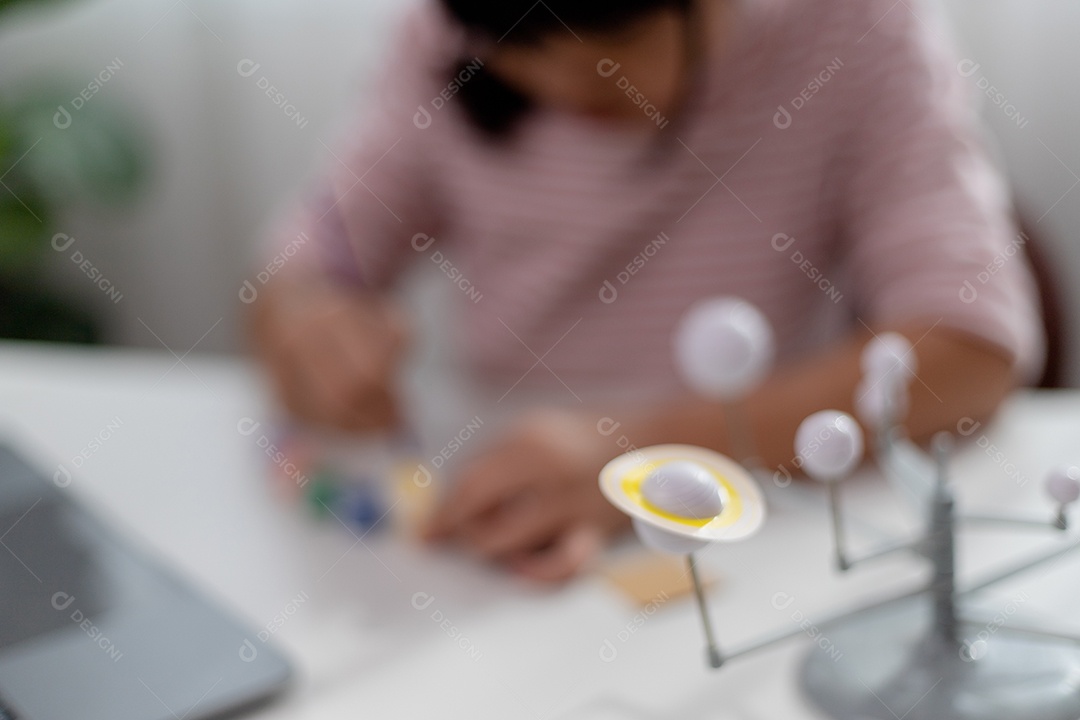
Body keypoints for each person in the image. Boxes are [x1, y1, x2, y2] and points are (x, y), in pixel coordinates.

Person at [251, 0, 1044, 581]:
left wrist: (633, 454)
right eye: (522, 51)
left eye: (617, 43)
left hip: (763, 537)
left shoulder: (856, 29)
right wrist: (308, 320)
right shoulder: (441, 36)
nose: (567, 83)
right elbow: (297, 273)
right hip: (492, 538)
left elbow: (972, 349)